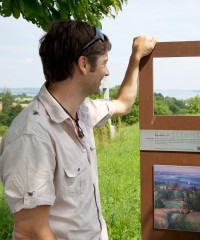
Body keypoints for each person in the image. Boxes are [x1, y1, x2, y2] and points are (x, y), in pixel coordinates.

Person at [0, 19, 156, 239]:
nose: (107, 72)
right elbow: (32, 233)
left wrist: (136, 58)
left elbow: (124, 103)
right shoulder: (31, 136)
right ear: (84, 64)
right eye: (104, 62)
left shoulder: (83, 111)